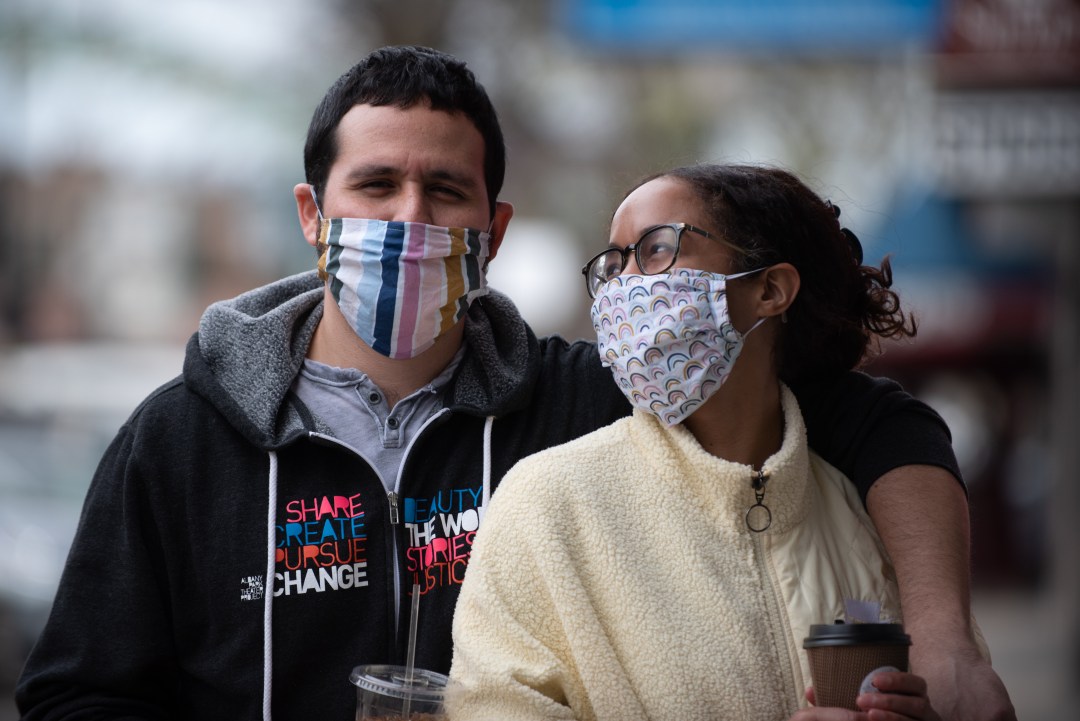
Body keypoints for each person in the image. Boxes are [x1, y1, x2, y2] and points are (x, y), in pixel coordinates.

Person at [15, 46, 1011, 721]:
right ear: (315, 216)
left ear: (491, 232)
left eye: (445, 191)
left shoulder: (589, 401)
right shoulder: (182, 439)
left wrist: (941, 631)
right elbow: (73, 696)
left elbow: (871, 420)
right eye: (375, 187)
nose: (410, 218)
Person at [448, 163, 1012, 721]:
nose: (623, 288)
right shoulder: (545, 506)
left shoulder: (871, 518)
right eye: (613, 264)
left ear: (770, 289)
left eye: (655, 249)